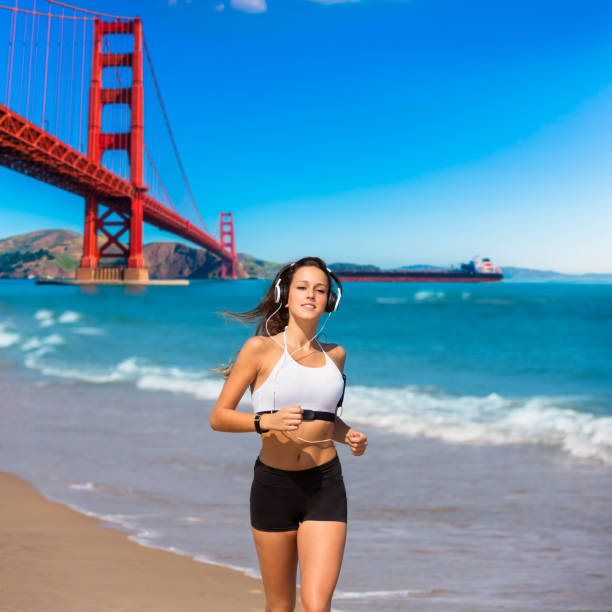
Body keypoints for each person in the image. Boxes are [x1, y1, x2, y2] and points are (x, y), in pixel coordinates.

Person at [210, 256, 368, 612]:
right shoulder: (259, 350)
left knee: (316, 605)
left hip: (325, 484)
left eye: (320, 289)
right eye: (302, 287)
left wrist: (350, 435)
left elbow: (328, 419)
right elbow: (219, 417)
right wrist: (266, 421)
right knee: (280, 606)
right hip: (274, 486)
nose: (311, 294)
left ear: (331, 300)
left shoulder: (337, 355)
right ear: (285, 294)